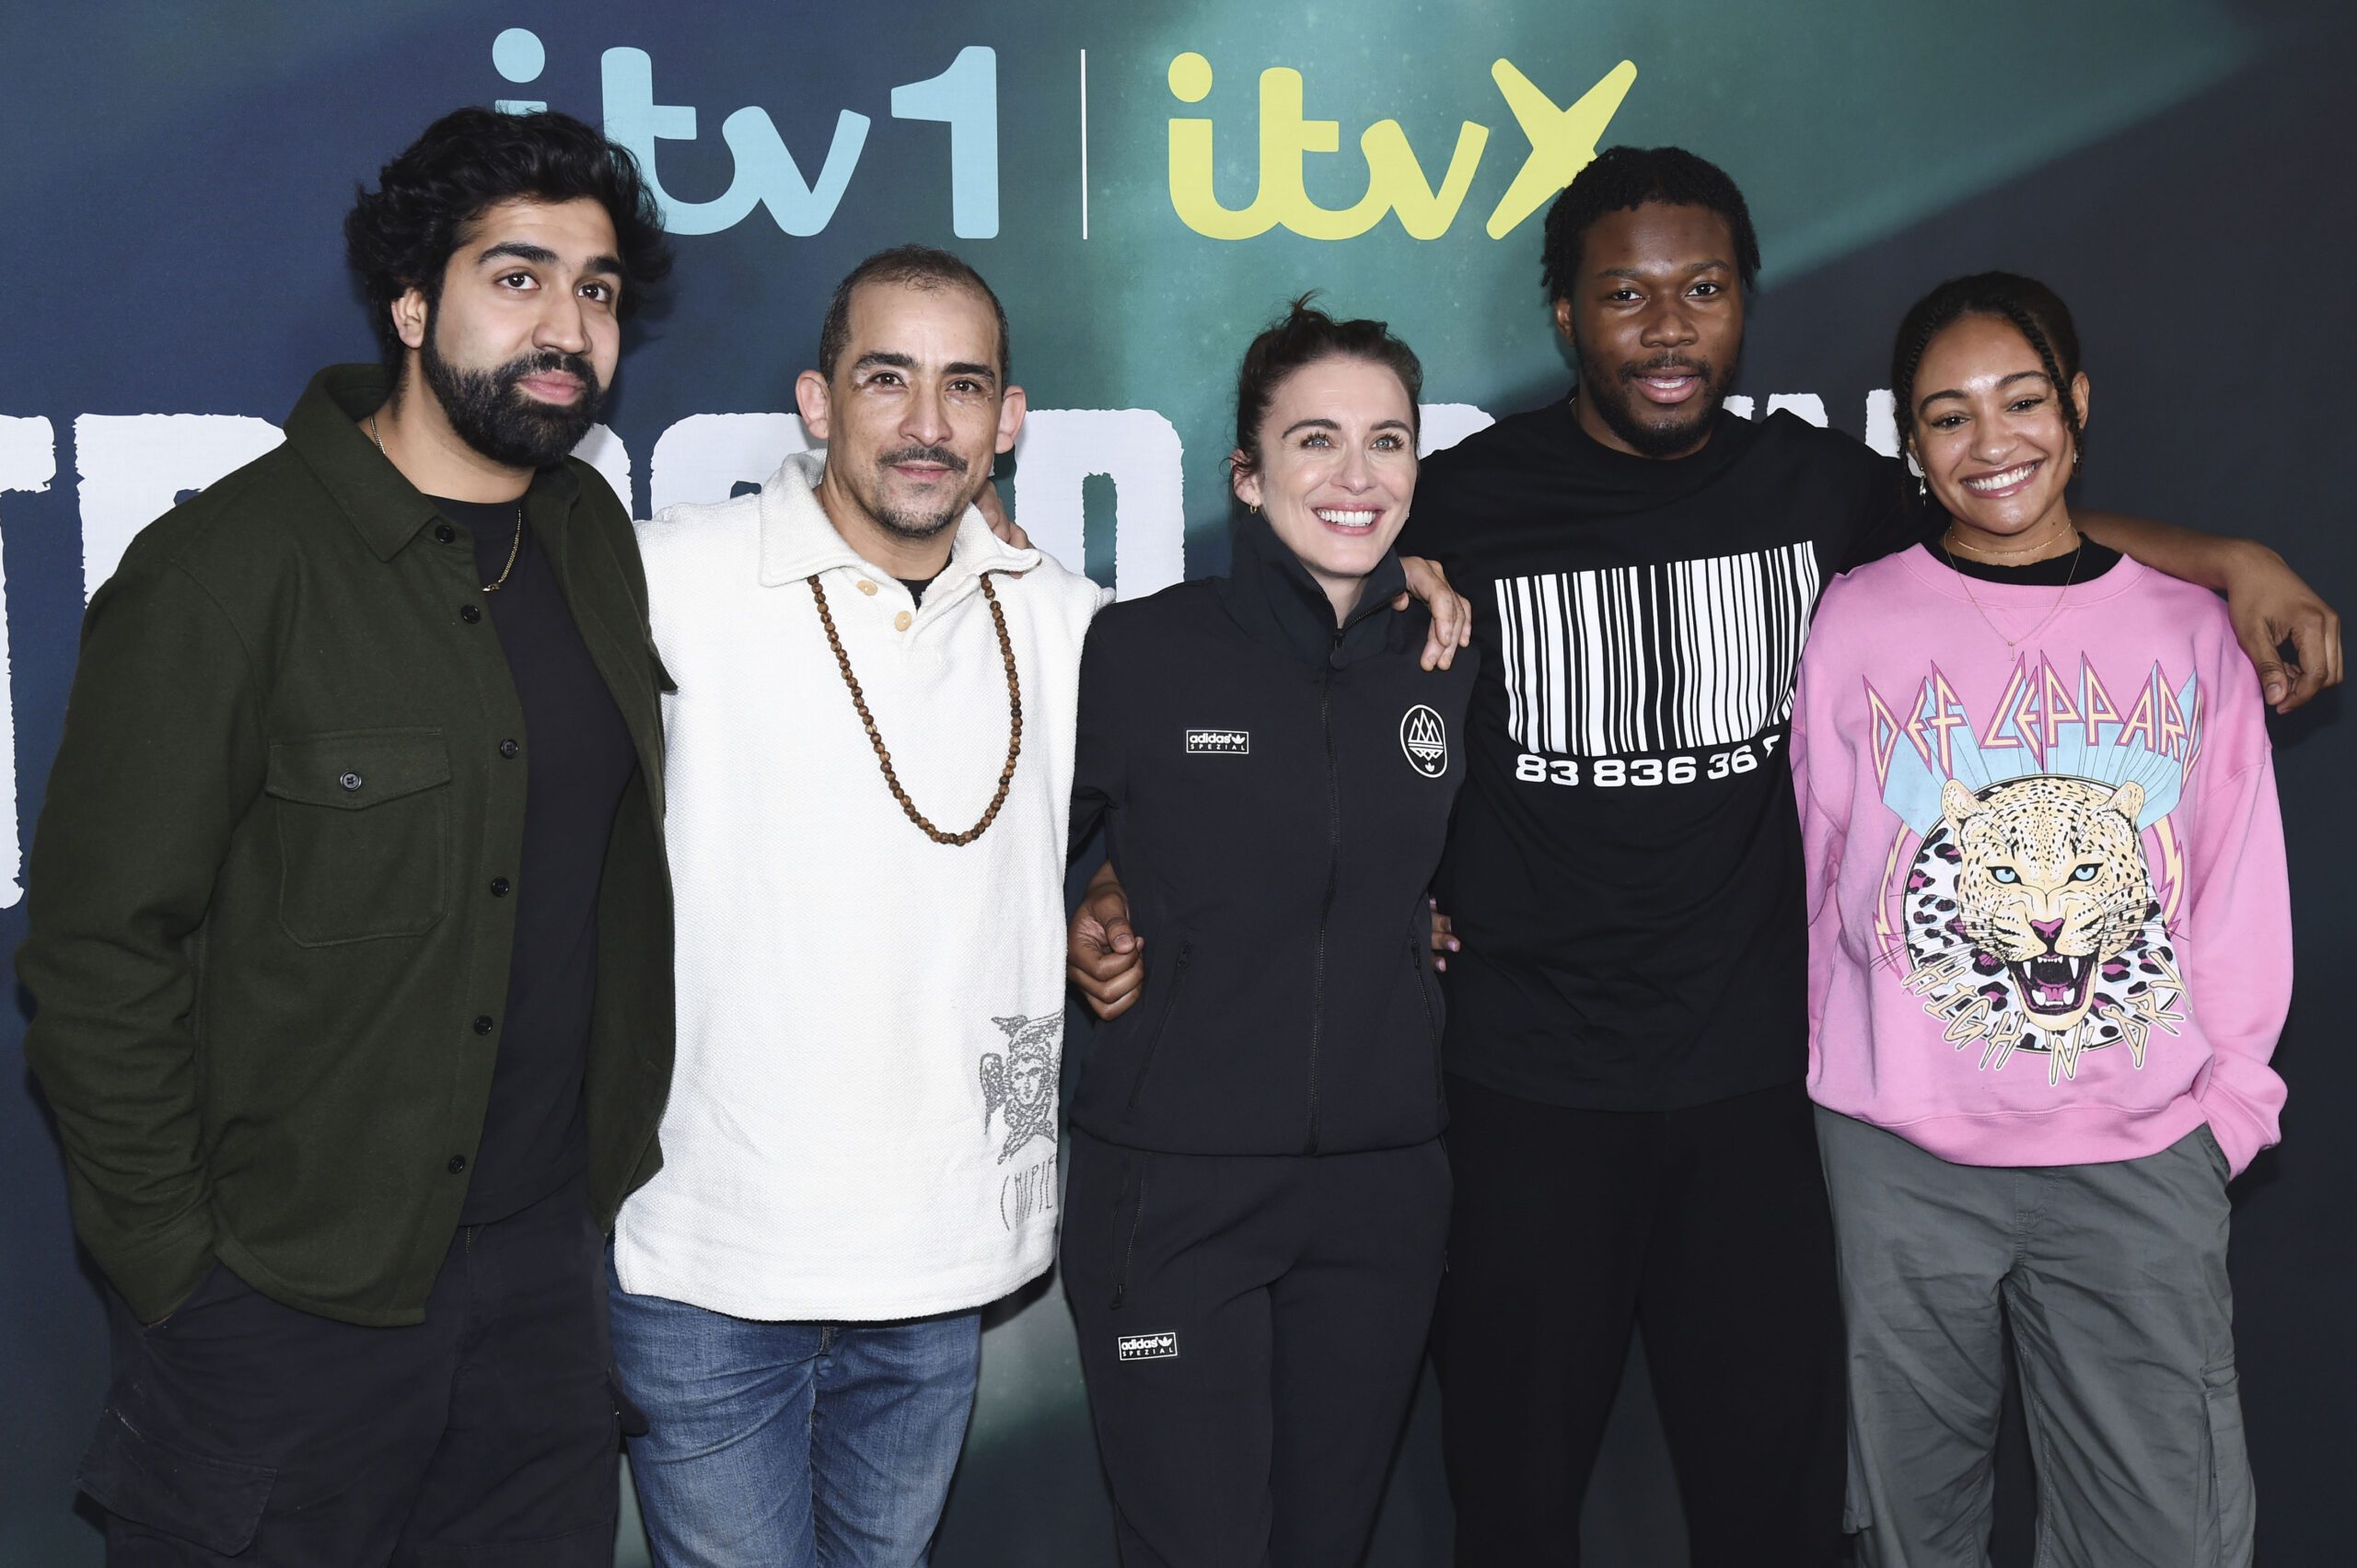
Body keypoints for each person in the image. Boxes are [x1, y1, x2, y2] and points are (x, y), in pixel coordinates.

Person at [1069, 145, 2338, 1563]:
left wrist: (2225, 559)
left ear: (1745, 305)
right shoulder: (1461, 505)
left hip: (1753, 1100)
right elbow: (1294, 663)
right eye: (1626, 295)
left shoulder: (1824, 493)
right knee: (1513, 1509)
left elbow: (2012, 522)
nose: (1668, 328)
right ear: (1566, 316)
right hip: (1518, 1096)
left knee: (1779, 1515)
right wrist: (1136, 867)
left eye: (1704, 289)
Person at [18, 107, 676, 1562]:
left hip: (540, 1306)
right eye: (517, 277)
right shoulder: (226, 568)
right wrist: (183, 1279)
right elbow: (95, 951)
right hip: (282, 1307)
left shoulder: (591, 546)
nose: (565, 322)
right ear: (408, 300)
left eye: (598, 287)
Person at [606, 246, 1106, 1568]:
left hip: (938, 1266)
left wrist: (1403, 588)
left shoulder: (1067, 623)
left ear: (1009, 422)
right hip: (710, 1256)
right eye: (888, 379)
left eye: (963, 387)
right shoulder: (662, 579)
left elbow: (1254, 710)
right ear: (819, 403)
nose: (927, 424)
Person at [1794, 272, 2285, 1566]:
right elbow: (1819, 873)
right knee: (1916, 1528)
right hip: (1904, 1155)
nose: (1991, 441)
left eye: (2020, 400)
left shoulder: (2195, 629)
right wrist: (1849, 1087)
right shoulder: (1854, 619)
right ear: (1908, 440)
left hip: (2136, 1152)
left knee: (2166, 1534)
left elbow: (2235, 889)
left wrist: (2222, 1113)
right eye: (1947, 416)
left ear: (2076, 404)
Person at [1061, 299, 1476, 1566]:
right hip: (1173, 1195)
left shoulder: (1450, 648)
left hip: (1384, 1194)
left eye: (1387, 442)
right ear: (1246, 475)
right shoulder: (1136, 653)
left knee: (1323, 1546)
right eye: (1314, 442)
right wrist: (1079, 910)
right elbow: (1025, 852)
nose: (1356, 477)